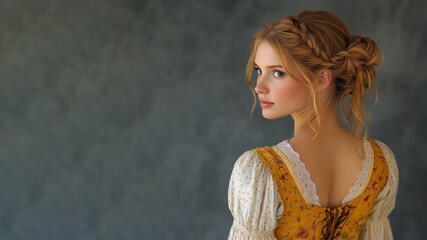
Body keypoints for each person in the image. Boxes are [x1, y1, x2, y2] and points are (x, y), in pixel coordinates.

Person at [227, 10, 399, 239]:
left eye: (277, 73)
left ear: (321, 80)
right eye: (259, 71)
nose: (259, 86)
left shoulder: (261, 171)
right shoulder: (380, 162)